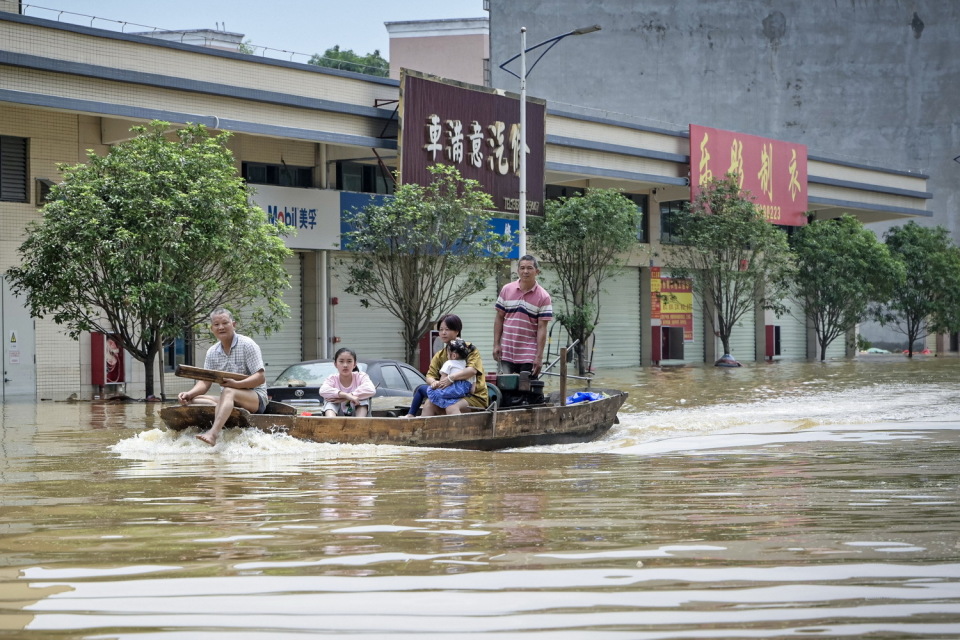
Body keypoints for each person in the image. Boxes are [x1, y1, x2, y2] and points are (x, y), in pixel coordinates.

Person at [179, 309, 267, 446]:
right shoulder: (212, 352)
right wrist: (188, 394)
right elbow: (205, 382)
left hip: (255, 399)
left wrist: (236, 385)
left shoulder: (247, 344)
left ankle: (213, 434)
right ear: (212, 328)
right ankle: (224, 410)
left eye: (225, 323)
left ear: (234, 324)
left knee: (228, 391)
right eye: (216, 324)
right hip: (229, 397)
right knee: (192, 400)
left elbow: (260, 378)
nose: (221, 327)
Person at [493, 254, 553, 376]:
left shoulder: (543, 296)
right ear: (518, 270)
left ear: (537, 271)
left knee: (525, 389)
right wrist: (496, 344)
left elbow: (542, 328)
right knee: (507, 389)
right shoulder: (507, 290)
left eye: (529, 268)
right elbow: (499, 318)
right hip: (507, 350)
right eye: (522, 268)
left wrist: (539, 357)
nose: (525, 271)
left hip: (528, 353)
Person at [418, 314, 487, 416]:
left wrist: (450, 378)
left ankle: (458, 432)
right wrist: (434, 383)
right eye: (441, 330)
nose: (443, 333)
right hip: (448, 395)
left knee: (452, 407)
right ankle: (424, 431)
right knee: (428, 403)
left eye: (447, 329)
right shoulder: (439, 355)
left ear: (457, 331)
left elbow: (472, 370)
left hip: (473, 396)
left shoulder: (470, 349)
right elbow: (429, 376)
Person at [403, 338, 475, 417]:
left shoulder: (449, 363)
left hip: (446, 393)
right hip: (460, 396)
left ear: (453, 355)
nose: (447, 356)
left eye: (447, 353)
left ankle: (411, 414)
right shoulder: (468, 367)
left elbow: (442, 383)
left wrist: (435, 384)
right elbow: (472, 390)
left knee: (420, 389)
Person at [318, 347, 376, 417]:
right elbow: (323, 390)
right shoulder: (332, 378)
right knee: (330, 402)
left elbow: (371, 389)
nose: (345, 365)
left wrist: (351, 395)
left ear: (354, 364)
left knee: (363, 399)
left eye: (349, 361)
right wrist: (346, 395)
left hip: (358, 415)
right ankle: (332, 424)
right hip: (338, 415)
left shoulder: (361, 376)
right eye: (341, 361)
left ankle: (359, 424)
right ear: (335, 364)